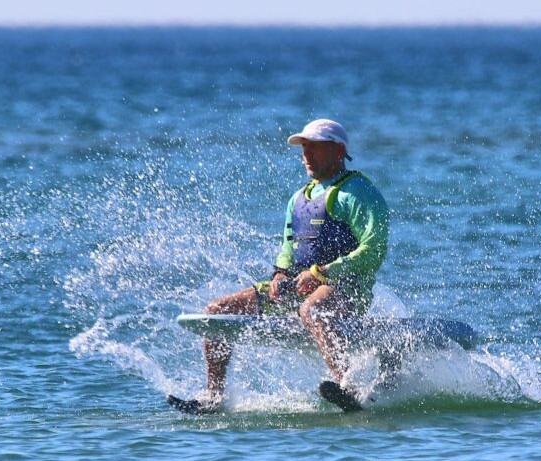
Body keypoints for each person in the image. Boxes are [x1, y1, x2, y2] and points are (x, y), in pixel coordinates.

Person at [168, 119, 391, 414]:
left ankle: (349, 389)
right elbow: (289, 247)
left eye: (315, 148)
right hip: (297, 287)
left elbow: (373, 251)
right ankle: (214, 397)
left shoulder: (359, 192)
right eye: (304, 148)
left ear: (338, 151)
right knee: (216, 311)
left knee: (313, 309)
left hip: (346, 288)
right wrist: (280, 274)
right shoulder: (298, 198)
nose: (307, 155)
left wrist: (322, 273)